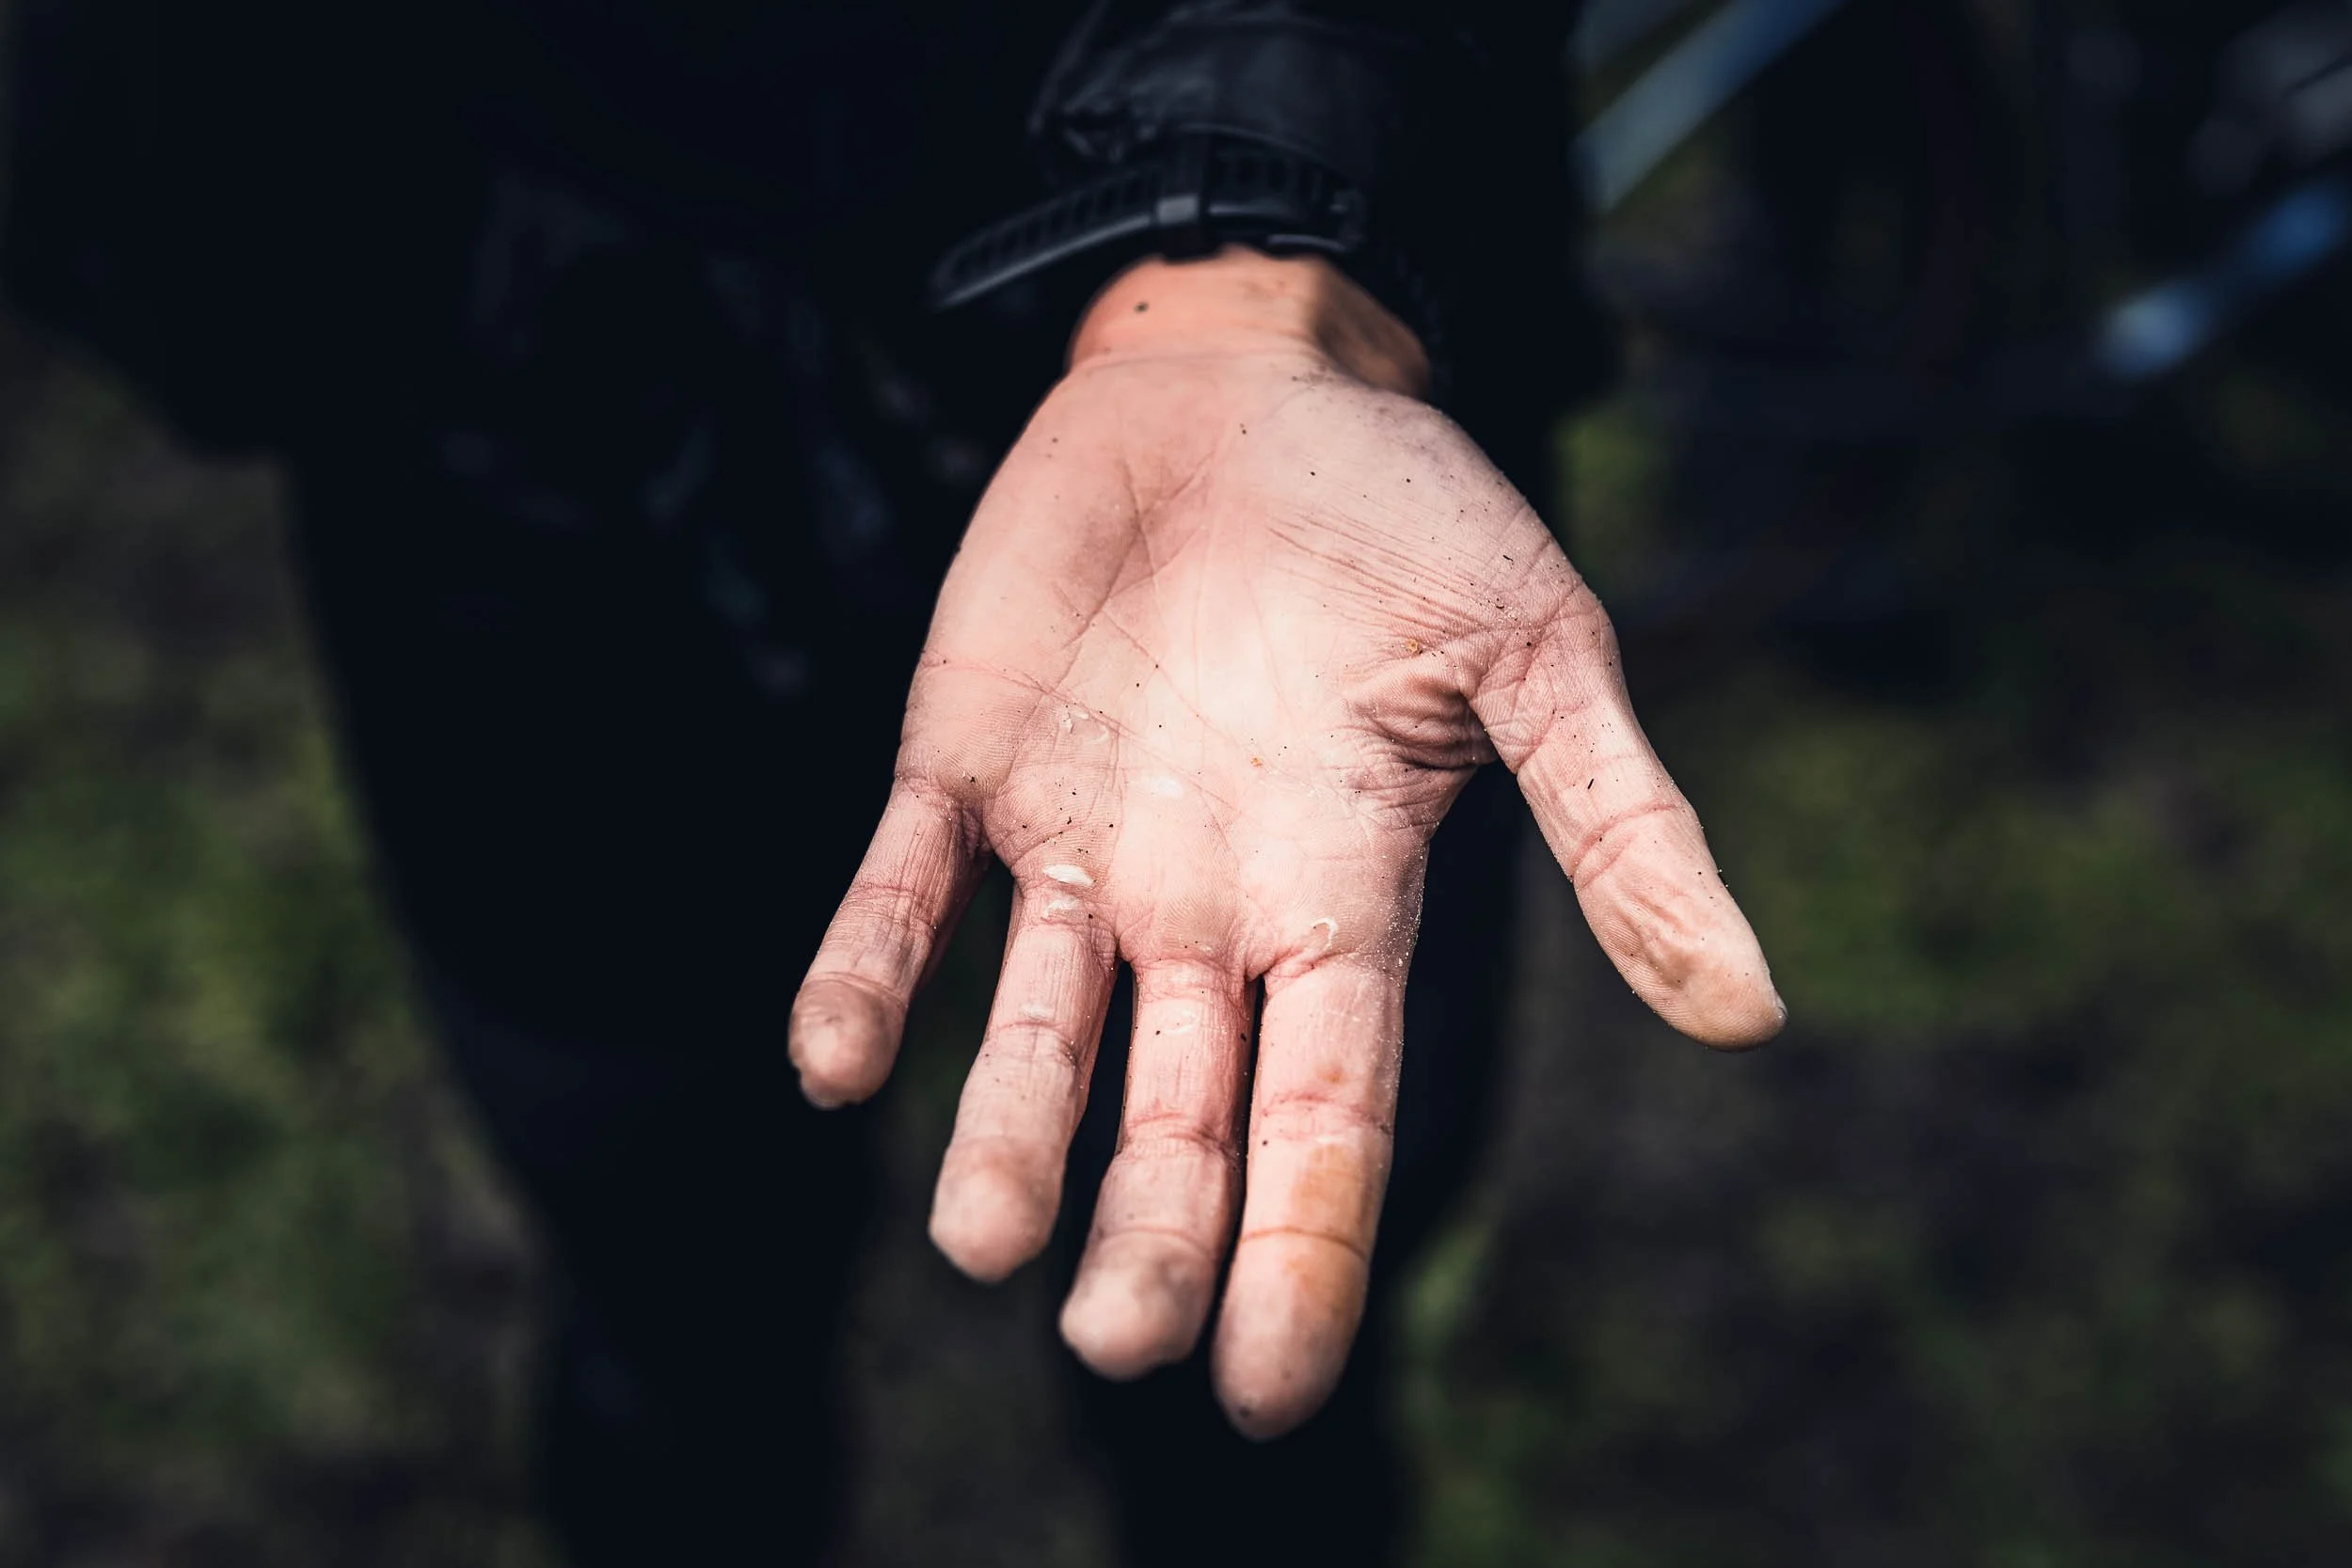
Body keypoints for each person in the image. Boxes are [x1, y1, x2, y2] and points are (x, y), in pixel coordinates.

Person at [2, 1, 1781, 1561]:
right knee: (664, 1261)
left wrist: (1257, 242)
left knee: (1261, 1289)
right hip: (493, 337)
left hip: (1254, 377)